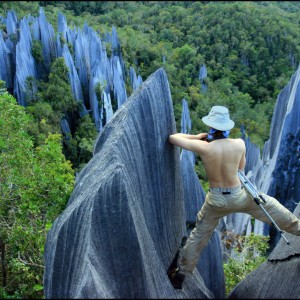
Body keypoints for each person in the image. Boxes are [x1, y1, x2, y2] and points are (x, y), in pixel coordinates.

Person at [167, 105, 300, 289]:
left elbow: (172, 138)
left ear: (211, 127)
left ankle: (181, 274)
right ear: (227, 127)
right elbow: (241, 170)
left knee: (198, 236)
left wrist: (197, 137)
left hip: (216, 201)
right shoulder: (239, 144)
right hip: (239, 196)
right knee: (271, 206)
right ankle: (297, 228)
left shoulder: (204, 147)